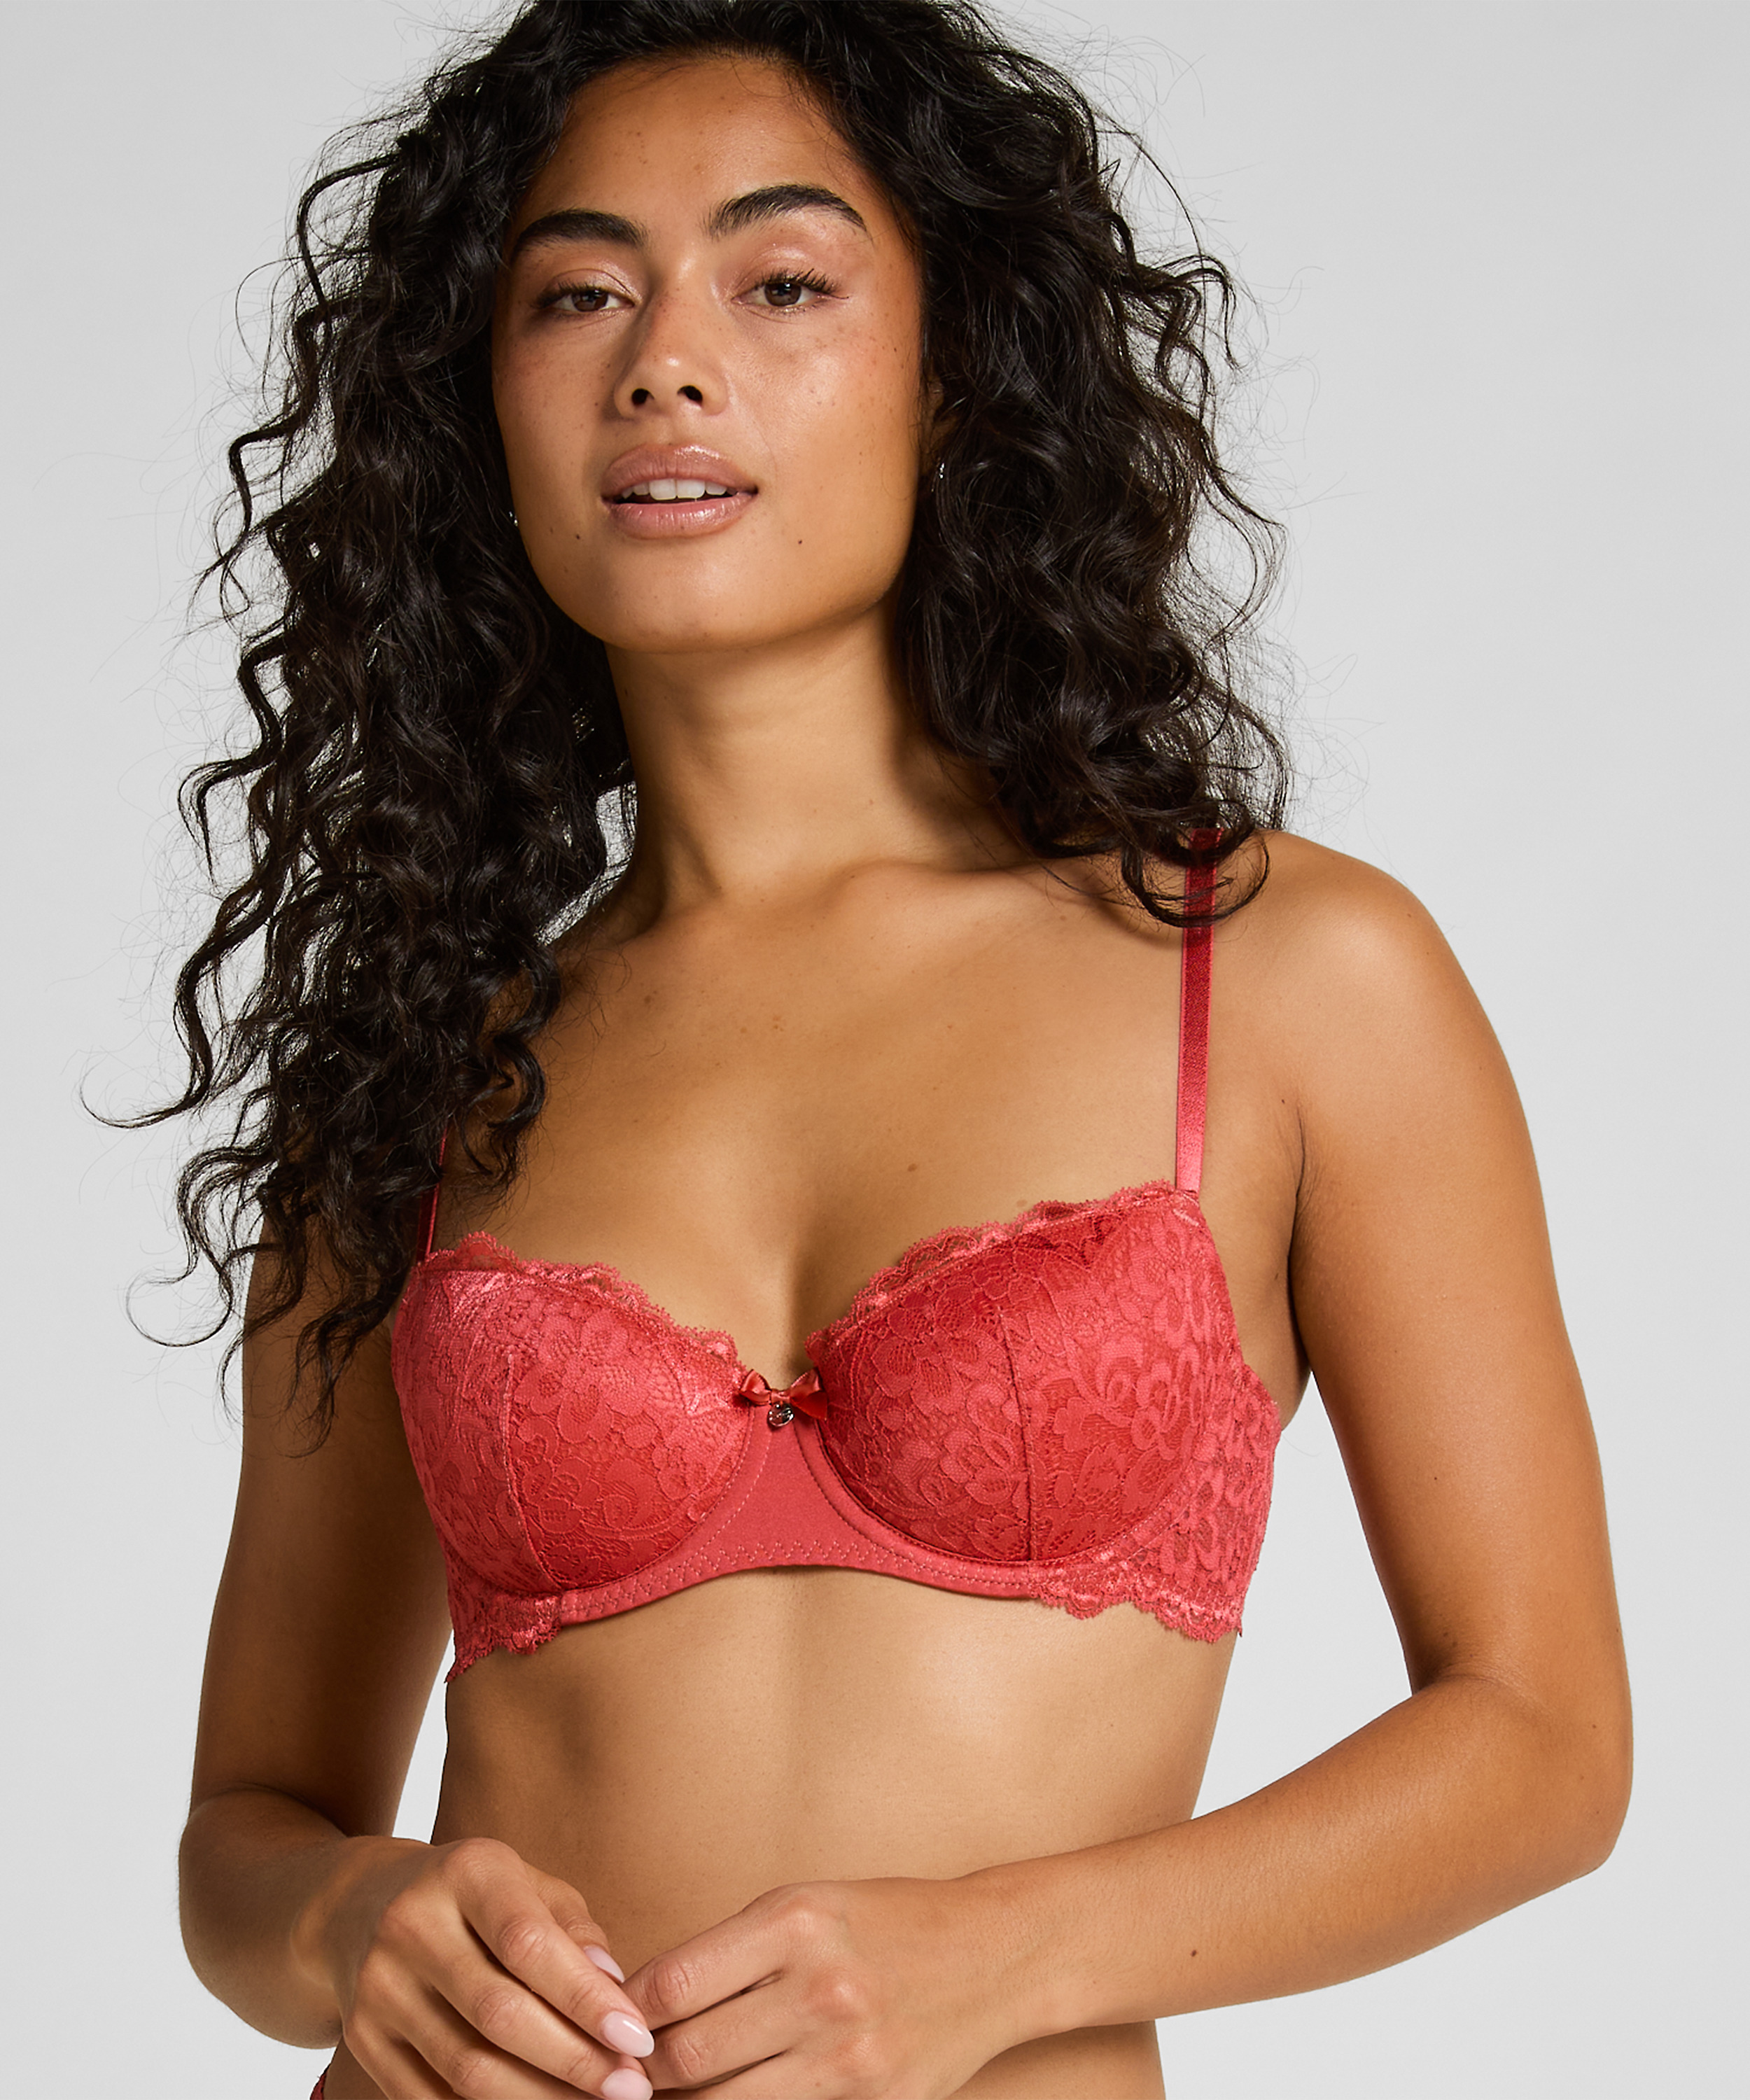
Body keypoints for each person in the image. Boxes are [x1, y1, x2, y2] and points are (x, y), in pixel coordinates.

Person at [166, 3, 1630, 2095]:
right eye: (576, 294)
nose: (665, 363)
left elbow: (1542, 1742)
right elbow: (250, 1830)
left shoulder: (1281, 975)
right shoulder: (413, 1068)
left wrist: (1002, 1955)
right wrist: (348, 1921)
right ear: (476, 404)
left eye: (781, 283)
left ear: (955, 375)